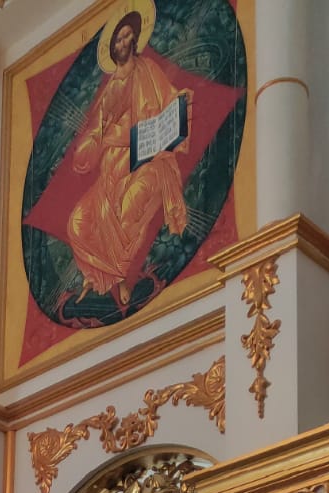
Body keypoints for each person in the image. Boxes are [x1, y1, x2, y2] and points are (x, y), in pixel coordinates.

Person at [67, 4, 190, 310]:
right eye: (118, 39)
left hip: (145, 161)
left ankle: (119, 275)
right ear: (111, 47)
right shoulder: (110, 88)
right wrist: (91, 144)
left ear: (135, 40)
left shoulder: (147, 71)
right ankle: (104, 272)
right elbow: (95, 133)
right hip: (109, 173)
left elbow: (168, 101)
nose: (123, 43)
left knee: (129, 211)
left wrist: (180, 103)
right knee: (77, 223)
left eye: (127, 37)